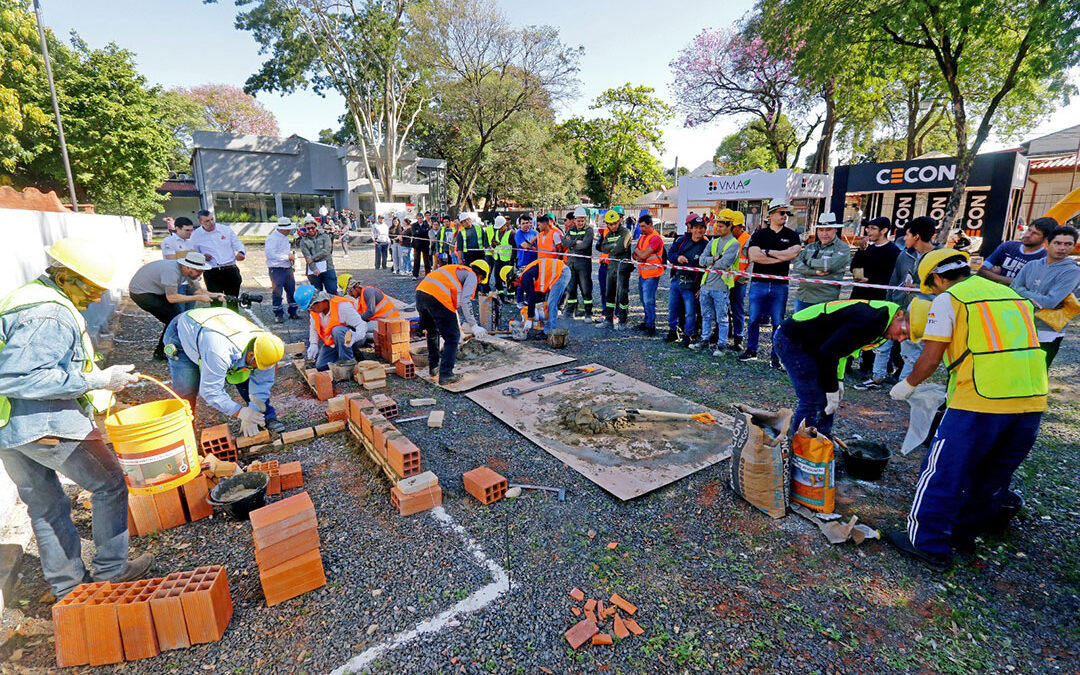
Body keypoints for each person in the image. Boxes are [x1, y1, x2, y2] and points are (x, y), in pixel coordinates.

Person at [0, 238, 150, 599]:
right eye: (91, 289)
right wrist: (98, 380)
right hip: (44, 424)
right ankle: (112, 570)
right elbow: (18, 377)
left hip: (8, 427)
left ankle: (69, 590)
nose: (96, 298)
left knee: (45, 506)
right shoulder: (49, 314)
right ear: (64, 277)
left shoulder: (27, 298)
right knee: (109, 484)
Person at [887, 249, 1048, 570]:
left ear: (936, 278)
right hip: (1031, 397)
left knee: (944, 471)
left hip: (979, 398)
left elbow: (931, 357)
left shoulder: (951, 299)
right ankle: (963, 534)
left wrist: (908, 384)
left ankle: (927, 543)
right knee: (992, 474)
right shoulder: (1011, 295)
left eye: (930, 286)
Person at [775, 299, 909, 438]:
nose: (900, 339)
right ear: (899, 315)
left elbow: (842, 351)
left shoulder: (884, 322)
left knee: (824, 397)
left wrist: (838, 379)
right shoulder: (871, 319)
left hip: (815, 345)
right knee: (813, 398)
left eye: (906, 338)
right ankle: (801, 445)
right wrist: (832, 389)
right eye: (904, 332)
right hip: (792, 339)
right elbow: (829, 354)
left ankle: (821, 438)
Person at [164, 308, 285, 435]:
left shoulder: (265, 346)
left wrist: (253, 410)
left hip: (218, 330)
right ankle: (182, 433)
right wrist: (240, 412)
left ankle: (265, 417)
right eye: (258, 365)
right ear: (250, 355)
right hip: (184, 333)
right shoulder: (219, 352)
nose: (261, 369)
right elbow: (210, 391)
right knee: (186, 389)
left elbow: (261, 384)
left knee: (246, 378)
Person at [857, 216, 938, 390]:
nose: (904, 239)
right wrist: (889, 304)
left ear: (916, 236)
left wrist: (919, 288)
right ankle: (877, 377)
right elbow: (894, 281)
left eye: (907, 235)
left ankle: (904, 385)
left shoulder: (940, 257)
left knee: (910, 350)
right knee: (883, 343)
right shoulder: (904, 255)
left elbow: (944, 287)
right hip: (897, 307)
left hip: (920, 311)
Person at [740, 199, 802, 367]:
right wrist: (781, 256)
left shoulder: (792, 235)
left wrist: (767, 252)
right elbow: (754, 256)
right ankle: (751, 350)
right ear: (771, 215)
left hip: (780, 284)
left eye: (786, 213)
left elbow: (794, 253)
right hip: (758, 283)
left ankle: (776, 356)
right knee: (753, 319)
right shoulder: (759, 235)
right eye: (781, 213)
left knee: (778, 322)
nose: (785, 216)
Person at [128, 252, 220, 359]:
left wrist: (216, 295)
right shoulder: (172, 272)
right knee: (174, 320)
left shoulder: (189, 273)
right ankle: (161, 352)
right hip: (141, 293)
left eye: (202, 271)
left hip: (156, 291)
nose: (200, 275)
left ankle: (169, 349)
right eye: (199, 271)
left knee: (177, 318)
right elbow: (172, 298)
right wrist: (198, 298)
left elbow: (197, 291)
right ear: (188, 267)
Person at [1012, 226, 1080, 368]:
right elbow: (1012, 290)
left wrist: (1022, 291)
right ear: (1047, 243)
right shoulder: (1032, 265)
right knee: (1015, 370)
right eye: (1057, 243)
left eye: (1068, 244)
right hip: (1021, 324)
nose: (1062, 248)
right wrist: (1035, 297)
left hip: (1047, 331)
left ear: (1073, 246)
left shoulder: (1072, 271)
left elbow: (1050, 302)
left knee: (1037, 373)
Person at [415, 261, 490, 385]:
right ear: (481, 275)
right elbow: (465, 301)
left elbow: (454, 306)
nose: (479, 283)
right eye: (481, 281)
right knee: (452, 338)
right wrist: (474, 325)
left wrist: (458, 325)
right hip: (437, 298)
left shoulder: (456, 271)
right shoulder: (472, 275)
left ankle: (434, 367)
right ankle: (446, 374)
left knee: (432, 332)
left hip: (421, 294)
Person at [849, 216, 901, 379]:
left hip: (878, 297)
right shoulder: (868, 248)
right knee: (853, 329)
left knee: (874, 332)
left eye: (873, 228)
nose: (868, 231)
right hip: (859, 295)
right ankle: (848, 365)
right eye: (868, 228)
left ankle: (869, 366)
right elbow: (854, 267)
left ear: (884, 230)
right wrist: (860, 251)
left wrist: (871, 280)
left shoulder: (893, 251)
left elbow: (892, 277)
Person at [692, 213, 741, 355]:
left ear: (729, 226)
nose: (717, 229)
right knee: (706, 315)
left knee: (722, 318)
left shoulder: (734, 244)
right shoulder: (713, 241)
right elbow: (701, 261)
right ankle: (705, 340)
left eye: (720, 226)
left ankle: (721, 345)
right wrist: (714, 259)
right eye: (717, 226)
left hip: (721, 286)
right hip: (706, 285)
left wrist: (710, 261)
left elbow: (724, 264)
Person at [791, 213, 851, 313]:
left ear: (835, 229)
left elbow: (829, 266)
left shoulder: (842, 248)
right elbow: (797, 265)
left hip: (826, 300)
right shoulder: (810, 247)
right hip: (803, 297)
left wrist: (808, 261)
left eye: (828, 229)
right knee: (799, 323)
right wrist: (814, 272)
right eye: (821, 230)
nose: (824, 233)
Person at [665, 216, 709, 347]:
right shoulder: (682, 240)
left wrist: (701, 286)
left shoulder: (706, 245)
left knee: (690, 312)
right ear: (691, 228)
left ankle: (688, 335)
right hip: (677, 280)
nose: (699, 231)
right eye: (696, 228)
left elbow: (708, 268)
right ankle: (673, 331)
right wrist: (678, 258)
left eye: (702, 228)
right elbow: (670, 254)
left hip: (692, 284)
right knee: (672, 308)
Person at [190, 210, 246, 309]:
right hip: (212, 271)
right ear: (200, 222)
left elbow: (237, 243)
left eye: (212, 219)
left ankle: (232, 318)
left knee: (232, 301)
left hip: (230, 268)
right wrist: (202, 256)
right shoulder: (196, 235)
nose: (211, 223)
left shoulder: (225, 230)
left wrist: (241, 252)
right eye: (207, 221)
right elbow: (193, 253)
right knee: (215, 303)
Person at [299, 289, 367, 370]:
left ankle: (348, 363)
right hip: (333, 342)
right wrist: (313, 344)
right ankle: (351, 355)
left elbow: (361, 324)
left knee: (337, 330)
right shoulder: (315, 312)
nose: (311, 310)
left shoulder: (342, 306)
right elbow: (313, 328)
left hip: (352, 338)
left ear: (319, 301)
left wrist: (355, 337)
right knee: (321, 366)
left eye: (310, 307)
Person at [977, 217, 1054, 285]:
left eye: (1035, 233)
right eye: (1029, 230)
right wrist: (1016, 281)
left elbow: (1032, 285)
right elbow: (981, 271)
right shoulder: (1008, 246)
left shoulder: (1045, 259)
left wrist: (995, 276)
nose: (1028, 235)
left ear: (1046, 239)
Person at [509, 258, 572, 340]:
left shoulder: (525, 277)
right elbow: (535, 295)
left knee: (551, 303)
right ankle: (546, 328)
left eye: (513, 284)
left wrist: (530, 318)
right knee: (547, 303)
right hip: (559, 272)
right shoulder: (525, 274)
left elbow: (531, 296)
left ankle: (549, 332)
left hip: (561, 273)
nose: (515, 286)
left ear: (515, 278)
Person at [596, 210, 634, 330]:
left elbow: (621, 247)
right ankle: (608, 320)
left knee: (622, 294)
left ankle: (622, 321)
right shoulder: (609, 234)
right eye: (610, 224)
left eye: (615, 223)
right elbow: (602, 247)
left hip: (622, 268)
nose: (613, 226)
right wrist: (613, 246)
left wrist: (611, 247)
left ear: (619, 222)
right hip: (611, 266)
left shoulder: (625, 232)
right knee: (609, 294)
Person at [632, 214, 665, 335]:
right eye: (640, 226)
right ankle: (647, 321)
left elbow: (642, 255)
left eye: (643, 226)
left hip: (652, 274)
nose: (641, 229)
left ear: (650, 225)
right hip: (643, 273)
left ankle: (651, 325)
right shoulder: (643, 237)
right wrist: (638, 254)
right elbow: (635, 255)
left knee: (648, 300)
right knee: (643, 299)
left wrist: (638, 253)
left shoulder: (655, 238)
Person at [562, 206, 595, 319]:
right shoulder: (571, 229)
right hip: (571, 264)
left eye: (582, 220)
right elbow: (564, 242)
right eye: (578, 220)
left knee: (586, 289)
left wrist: (571, 245)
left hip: (583, 264)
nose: (580, 223)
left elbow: (584, 245)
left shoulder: (589, 230)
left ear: (585, 220)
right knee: (571, 288)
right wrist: (576, 242)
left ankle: (588, 313)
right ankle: (570, 311)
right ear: (574, 220)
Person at [265, 217, 300, 324]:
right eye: (287, 229)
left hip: (287, 267)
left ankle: (293, 311)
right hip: (276, 268)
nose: (289, 231)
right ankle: (278, 314)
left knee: (291, 290)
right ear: (281, 229)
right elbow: (271, 255)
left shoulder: (285, 237)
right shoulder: (271, 239)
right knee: (277, 292)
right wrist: (287, 257)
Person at [727, 212, 750, 351]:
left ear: (741, 226)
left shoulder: (748, 240)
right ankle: (723, 333)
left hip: (739, 281)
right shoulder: (727, 238)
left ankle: (738, 338)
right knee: (723, 308)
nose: (730, 229)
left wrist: (742, 278)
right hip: (726, 280)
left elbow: (751, 263)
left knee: (737, 309)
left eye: (733, 226)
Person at [299, 216, 337, 294]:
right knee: (317, 294)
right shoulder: (303, 241)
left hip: (328, 267)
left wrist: (312, 258)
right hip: (313, 270)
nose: (311, 230)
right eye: (308, 228)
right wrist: (314, 269)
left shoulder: (325, 236)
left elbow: (326, 251)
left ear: (316, 226)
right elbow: (307, 256)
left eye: (312, 228)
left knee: (332, 291)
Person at [490, 215, 516, 302]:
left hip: (508, 260)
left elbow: (514, 248)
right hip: (498, 259)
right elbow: (492, 243)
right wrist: (494, 244)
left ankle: (510, 296)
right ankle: (500, 295)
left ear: (505, 225)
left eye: (500, 228)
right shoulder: (497, 232)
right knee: (497, 277)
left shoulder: (511, 233)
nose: (499, 229)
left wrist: (512, 260)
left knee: (509, 278)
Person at [410, 213, 433, 278]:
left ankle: (428, 274)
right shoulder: (414, 225)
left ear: (423, 218)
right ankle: (415, 275)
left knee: (426, 260)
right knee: (416, 260)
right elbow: (414, 234)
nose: (420, 220)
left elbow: (428, 233)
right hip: (417, 245)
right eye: (418, 218)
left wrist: (420, 232)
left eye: (421, 218)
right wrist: (423, 231)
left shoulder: (426, 224)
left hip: (425, 244)